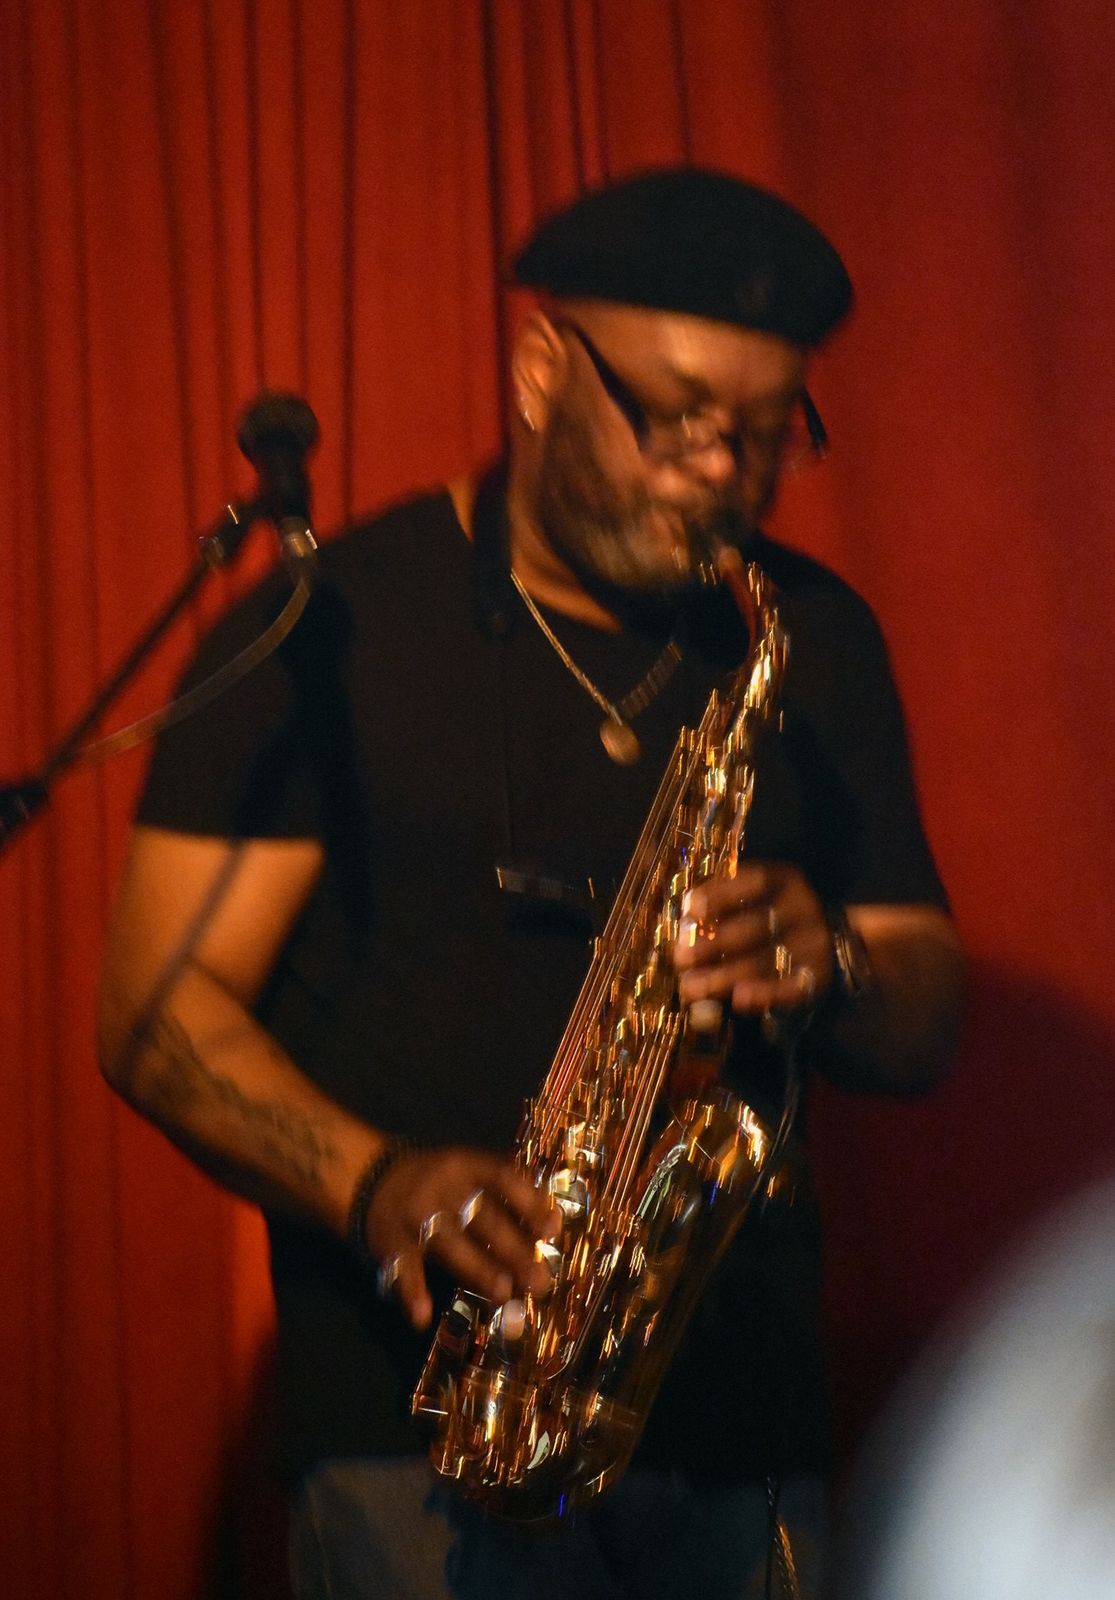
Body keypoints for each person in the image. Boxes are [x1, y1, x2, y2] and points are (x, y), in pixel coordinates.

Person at [98, 169, 964, 1599]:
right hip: (422, 1446)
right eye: (676, 415)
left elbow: (925, 1011)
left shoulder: (813, 639)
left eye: (762, 434)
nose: (720, 471)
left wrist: (841, 964)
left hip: (744, 1440)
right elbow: (151, 1013)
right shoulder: (329, 631)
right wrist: (379, 1185)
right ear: (543, 370)